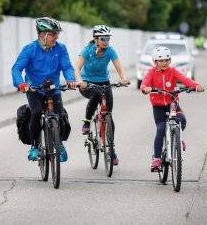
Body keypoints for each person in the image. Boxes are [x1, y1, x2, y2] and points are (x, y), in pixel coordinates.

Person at [12, 17, 76, 162]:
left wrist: (70, 79)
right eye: (53, 34)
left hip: (54, 88)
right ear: (42, 34)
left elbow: (66, 66)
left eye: (57, 34)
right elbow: (16, 68)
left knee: (59, 116)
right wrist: (20, 83)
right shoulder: (30, 49)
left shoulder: (60, 48)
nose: (57, 37)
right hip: (34, 89)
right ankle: (34, 146)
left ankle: (59, 144)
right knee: (35, 113)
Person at [140, 46, 204, 172]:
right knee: (161, 128)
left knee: (182, 121)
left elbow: (185, 80)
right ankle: (157, 159)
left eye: (167, 60)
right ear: (155, 62)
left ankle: (177, 138)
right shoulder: (151, 72)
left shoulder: (173, 71)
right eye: (161, 60)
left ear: (170, 60)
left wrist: (195, 86)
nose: (164, 63)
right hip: (158, 106)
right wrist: (145, 88)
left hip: (172, 103)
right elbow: (145, 83)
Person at [75, 25, 129, 165]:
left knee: (108, 116)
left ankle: (111, 150)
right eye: (103, 38)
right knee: (96, 94)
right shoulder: (87, 51)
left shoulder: (110, 51)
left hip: (104, 82)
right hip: (87, 84)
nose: (106, 41)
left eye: (108, 38)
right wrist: (80, 81)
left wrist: (123, 78)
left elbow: (119, 68)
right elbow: (77, 68)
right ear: (95, 39)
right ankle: (87, 121)